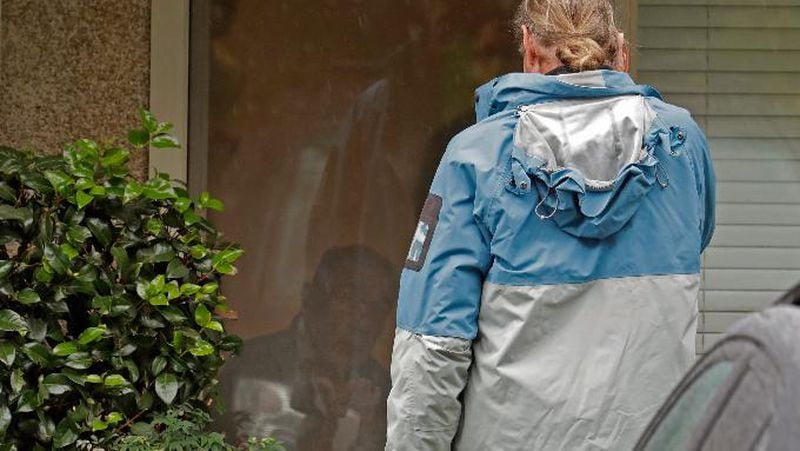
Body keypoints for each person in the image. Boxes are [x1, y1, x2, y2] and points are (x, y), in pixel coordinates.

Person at [385, 0, 716, 449]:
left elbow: (433, 346)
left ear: (527, 47)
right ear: (620, 52)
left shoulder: (476, 156)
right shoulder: (681, 146)